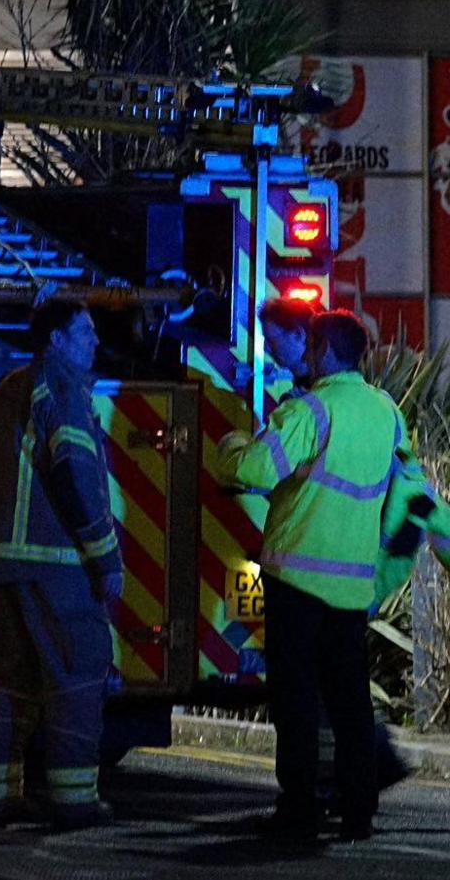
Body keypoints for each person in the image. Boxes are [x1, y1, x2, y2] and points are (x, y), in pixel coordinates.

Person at [219, 310, 408, 842]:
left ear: (321, 349)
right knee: (350, 704)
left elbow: (255, 470)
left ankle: (298, 813)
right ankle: (358, 813)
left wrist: (229, 448)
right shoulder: (387, 412)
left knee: (297, 704)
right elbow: (402, 488)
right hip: (352, 587)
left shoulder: (311, 410)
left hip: (298, 583)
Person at [0, 300, 123, 829]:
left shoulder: (6, 386)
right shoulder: (63, 389)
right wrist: (105, 557)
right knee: (78, 674)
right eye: (84, 332)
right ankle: (74, 801)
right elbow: (76, 478)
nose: (94, 341)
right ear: (56, 340)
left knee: (12, 680)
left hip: (7, 564)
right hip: (55, 562)